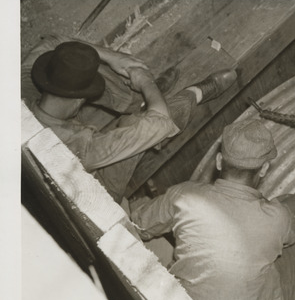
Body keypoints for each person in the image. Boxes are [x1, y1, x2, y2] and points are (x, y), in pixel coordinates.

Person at [130, 117, 295, 300]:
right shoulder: (277, 217)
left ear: (219, 161)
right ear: (263, 169)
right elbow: (294, 233)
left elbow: (140, 224)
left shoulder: (183, 196)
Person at [21, 34, 237, 202]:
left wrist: (113, 57)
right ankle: (194, 93)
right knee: (139, 126)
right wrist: (145, 82)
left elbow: (55, 41)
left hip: (60, 141)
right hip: (92, 188)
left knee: (79, 66)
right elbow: (158, 125)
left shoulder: (19, 90)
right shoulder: (74, 150)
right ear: (79, 102)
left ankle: (141, 101)